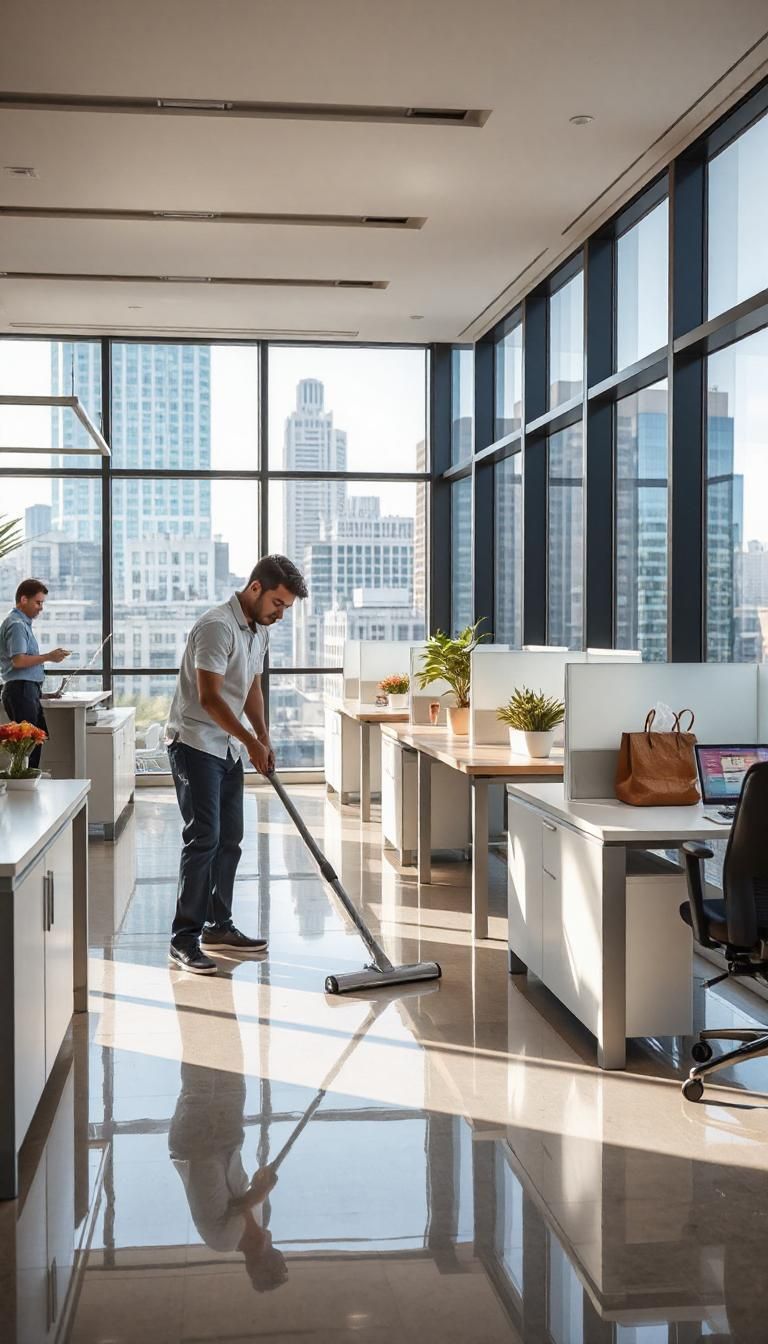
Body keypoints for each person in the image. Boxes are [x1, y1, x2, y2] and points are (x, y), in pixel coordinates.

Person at [165, 553, 308, 975]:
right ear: (256, 588)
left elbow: (250, 687)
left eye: (286, 608)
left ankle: (218, 926)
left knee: (230, 839)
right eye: (278, 604)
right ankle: (184, 939)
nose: (280, 614)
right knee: (204, 838)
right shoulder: (216, 626)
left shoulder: (257, 630)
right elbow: (209, 698)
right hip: (195, 743)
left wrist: (262, 736)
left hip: (226, 746)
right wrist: (250, 741)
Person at [0, 578, 69, 769]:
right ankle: (25, 787)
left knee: (33, 742)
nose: (41, 608)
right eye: (38, 602)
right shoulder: (17, 625)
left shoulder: (22, 624)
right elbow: (19, 661)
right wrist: (49, 656)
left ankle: (28, 785)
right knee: (27, 746)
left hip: (26, 690)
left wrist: (41, 693)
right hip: (21, 691)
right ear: (23, 599)